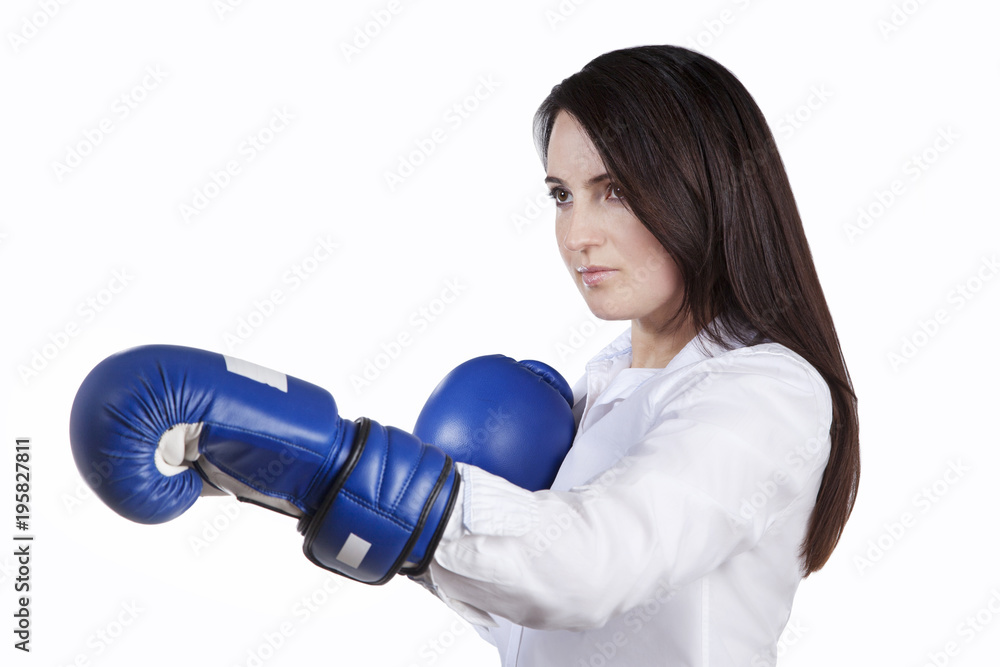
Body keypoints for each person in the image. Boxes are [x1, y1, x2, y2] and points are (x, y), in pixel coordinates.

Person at [406, 44, 860, 666]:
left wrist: (369, 476)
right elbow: (552, 632)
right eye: (562, 195)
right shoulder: (603, 381)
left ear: (707, 191)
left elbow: (591, 570)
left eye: (613, 190)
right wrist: (355, 513)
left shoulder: (768, 392)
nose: (576, 237)